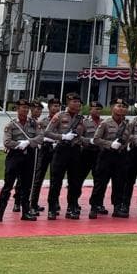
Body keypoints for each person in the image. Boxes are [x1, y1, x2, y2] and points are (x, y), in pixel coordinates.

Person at [43, 92, 87, 220]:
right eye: (74, 101)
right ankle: (52, 208)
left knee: (74, 182)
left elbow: (82, 135)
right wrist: (62, 137)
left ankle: (71, 207)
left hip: (75, 151)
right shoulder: (59, 116)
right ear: (68, 103)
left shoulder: (81, 118)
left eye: (79, 102)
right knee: (56, 181)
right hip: (61, 150)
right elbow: (47, 132)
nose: (77, 104)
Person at [0, 100, 39, 223]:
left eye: (27, 108)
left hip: (28, 156)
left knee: (26, 186)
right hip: (14, 157)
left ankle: (25, 212)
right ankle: (0, 213)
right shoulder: (11, 125)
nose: (25, 110)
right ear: (17, 109)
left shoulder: (34, 124)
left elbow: (40, 137)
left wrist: (29, 142)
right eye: (22, 107)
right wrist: (18, 144)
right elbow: (7, 142)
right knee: (8, 185)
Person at [89, 99, 133, 219]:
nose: (122, 108)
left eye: (124, 106)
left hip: (121, 156)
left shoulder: (127, 124)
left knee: (119, 183)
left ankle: (117, 207)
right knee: (100, 183)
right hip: (106, 156)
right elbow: (96, 139)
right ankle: (94, 206)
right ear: (112, 107)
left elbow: (128, 138)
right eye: (119, 106)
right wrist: (109, 144)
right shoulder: (105, 123)